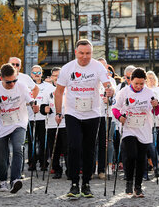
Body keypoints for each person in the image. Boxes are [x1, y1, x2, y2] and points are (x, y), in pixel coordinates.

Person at [54, 39, 114, 199]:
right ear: (76, 52)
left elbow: (108, 84)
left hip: (93, 113)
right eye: (81, 53)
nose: (85, 57)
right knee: (74, 146)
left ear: (91, 53)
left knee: (89, 149)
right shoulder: (68, 68)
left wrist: (110, 90)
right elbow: (59, 91)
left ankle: (86, 184)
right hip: (73, 113)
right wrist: (58, 112)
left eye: (88, 53)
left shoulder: (97, 66)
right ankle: (74, 183)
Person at [0, 63, 39, 193]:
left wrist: (33, 106)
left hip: (19, 122)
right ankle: (3, 181)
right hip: (1, 125)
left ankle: (15, 180)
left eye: (14, 80)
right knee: (2, 156)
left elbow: (30, 99)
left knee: (18, 148)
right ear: (1, 78)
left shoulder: (21, 85)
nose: (12, 84)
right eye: (9, 82)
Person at [112, 67, 159, 197]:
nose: (139, 86)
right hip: (129, 128)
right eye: (136, 83)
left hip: (144, 129)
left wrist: (156, 105)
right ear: (131, 81)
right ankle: (129, 181)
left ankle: (138, 187)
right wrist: (119, 117)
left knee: (141, 158)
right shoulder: (124, 92)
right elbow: (115, 108)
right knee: (131, 155)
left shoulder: (149, 92)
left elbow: (156, 112)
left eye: (141, 83)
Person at [40, 67, 68, 179]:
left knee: (67, 149)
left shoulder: (68, 89)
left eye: (59, 75)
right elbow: (43, 107)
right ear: (51, 77)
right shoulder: (48, 90)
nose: (57, 78)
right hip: (52, 123)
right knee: (54, 149)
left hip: (66, 123)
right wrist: (45, 109)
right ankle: (57, 169)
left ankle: (70, 170)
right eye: (55, 76)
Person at [92, 58, 116, 180]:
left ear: (106, 67)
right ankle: (91, 169)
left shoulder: (111, 81)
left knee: (103, 142)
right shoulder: (91, 78)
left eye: (103, 66)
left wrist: (109, 100)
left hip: (106, 115)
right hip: (92, 114)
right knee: (91, 142)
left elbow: (115, 98)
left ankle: (101, 169)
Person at [28, 65, 53, 171]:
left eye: (39, 73)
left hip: (43, 118)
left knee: (43, 142)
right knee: (31, 141)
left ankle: (44, 162)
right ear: (31, 74)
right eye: (34, 73)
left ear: (42, 74)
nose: (37, 75)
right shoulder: (27, 86)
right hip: (30, 118)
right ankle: (31, 162)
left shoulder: (48, 86)